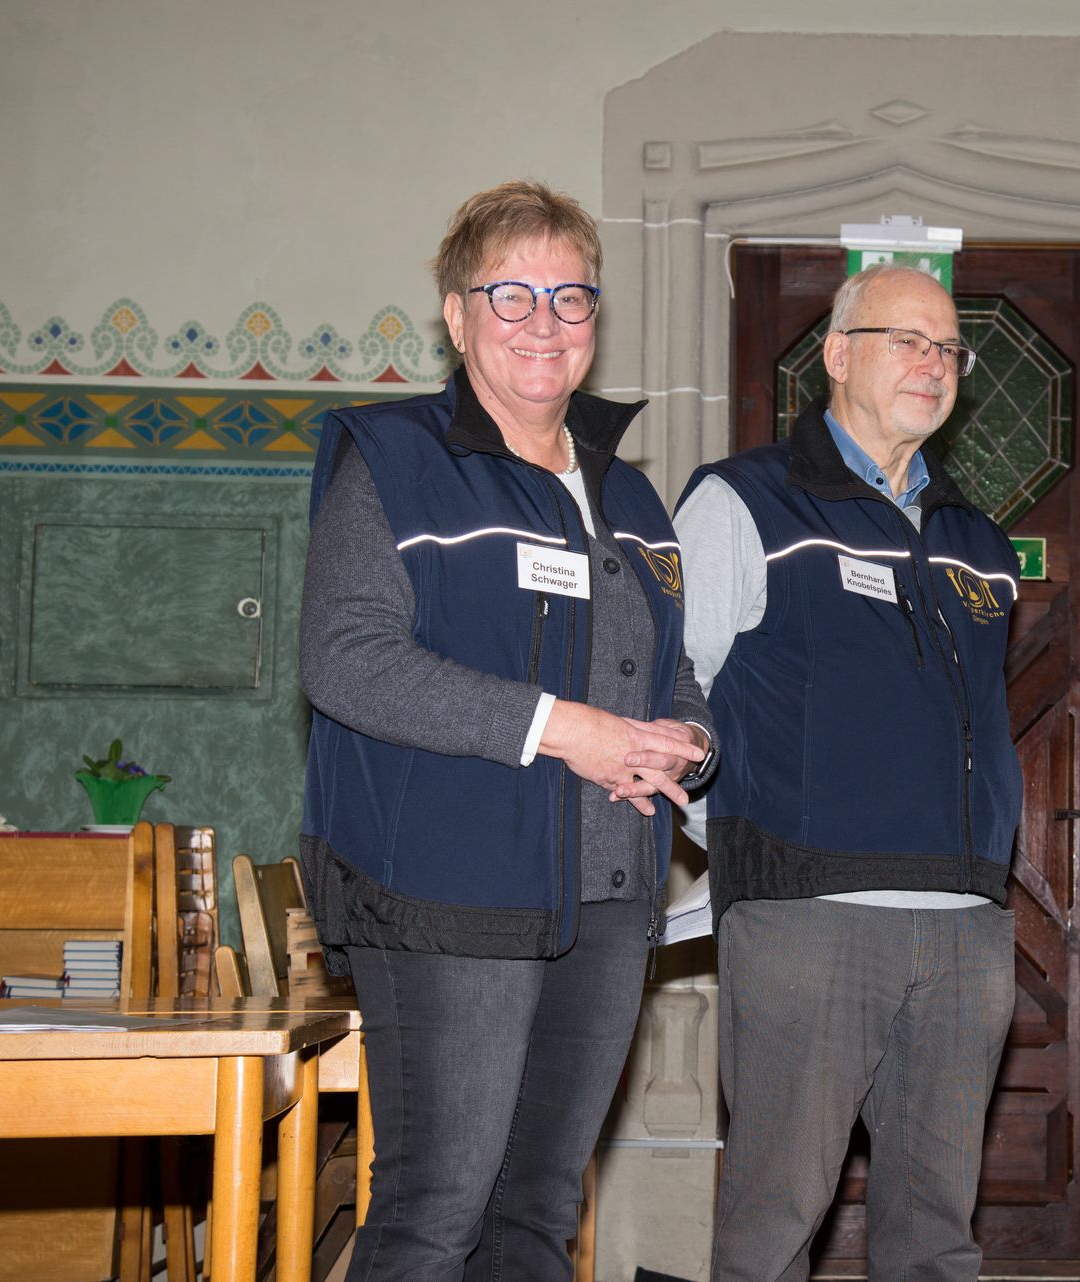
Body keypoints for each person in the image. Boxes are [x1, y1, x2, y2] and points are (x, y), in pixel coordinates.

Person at [298, 179, 715, 1281]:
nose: (545, 322)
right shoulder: (393, 462)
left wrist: (686, 739)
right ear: (456, 314)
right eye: (511, 296)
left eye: (570, 298)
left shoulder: (631, 497)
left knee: (537, 1213)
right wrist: (563, 728)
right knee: (437, 1210)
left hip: (608, 896)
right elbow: (346, 660)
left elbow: (673, 668)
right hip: (448, 893)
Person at [675, 264, 1022, 1282]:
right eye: (906, 339)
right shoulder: (743, 500)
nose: (933, 362)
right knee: (775, 1220)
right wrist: (741, 838)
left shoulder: (978, 540)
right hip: (808, 915)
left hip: (966, 923)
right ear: (835, 354)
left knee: (937, 1234)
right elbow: (669, 691)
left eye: (949, 347)